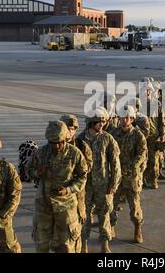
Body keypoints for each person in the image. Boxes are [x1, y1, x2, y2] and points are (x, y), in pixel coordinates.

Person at [26, 121, 88, 253]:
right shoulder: (40, 153)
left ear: (65, 138)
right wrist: (37, 172)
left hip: (66, 208)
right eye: (53, 143)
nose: (57, 146)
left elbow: (82, 177)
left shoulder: (75, 154)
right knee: (42, 245)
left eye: (60, 142)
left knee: (66, 246)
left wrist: (68, 190)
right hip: (44, 206)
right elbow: (28, 171)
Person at [77, 108, 121, 253]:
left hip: (103, 185)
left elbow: (115, 163)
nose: (101, 124)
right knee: (84, 217)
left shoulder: (107, 138)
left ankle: (105, 244)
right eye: (98, 122)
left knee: (104, 215)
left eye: (103, 121)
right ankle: (83, 244)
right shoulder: (80, 140)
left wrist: (113, 184)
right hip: (85, 186)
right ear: (90, 122)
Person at [111, 106, 147, 244]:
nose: (124, 120)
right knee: (112, 204)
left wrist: (130, 168)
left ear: (132, 119)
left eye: (127, 118)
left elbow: (141, 155)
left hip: (132, 177)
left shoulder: (138, 135)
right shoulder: (113, 133)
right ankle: (111, 226)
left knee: (135, 206)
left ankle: (138, 228)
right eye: (122, 117)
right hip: (116, 176)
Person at [59, 114, 93, 252]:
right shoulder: (54, 146)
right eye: (68, 128)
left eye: (73, 129)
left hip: (77, 194)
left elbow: (89, 166)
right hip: (59, 198)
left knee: (77, 227)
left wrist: (76, 166)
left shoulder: (81, 146)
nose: (70, 131)